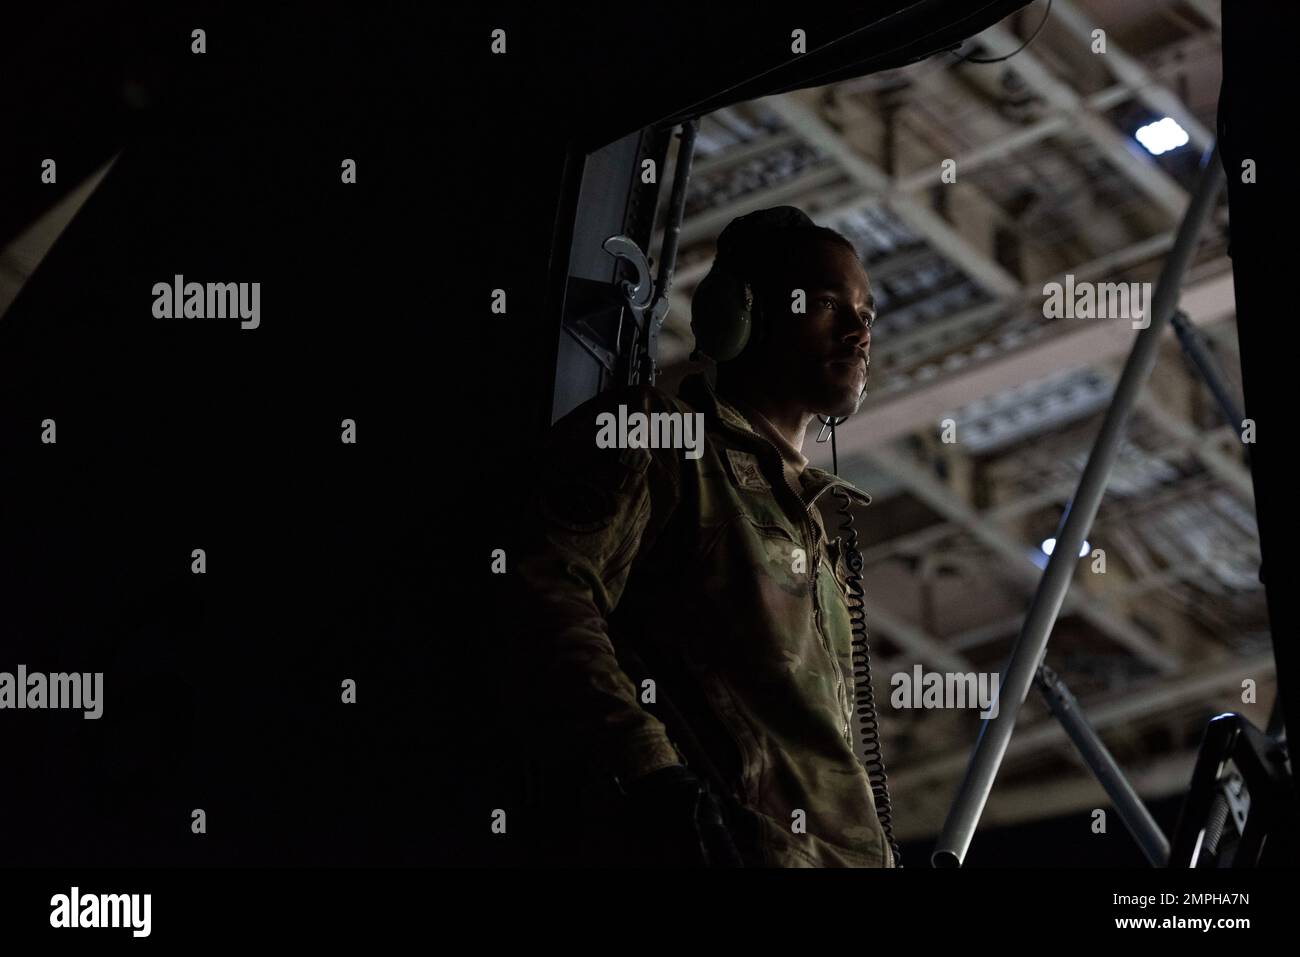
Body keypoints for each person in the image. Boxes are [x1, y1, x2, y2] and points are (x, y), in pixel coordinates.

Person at [511, 205, 896, 867]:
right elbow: (545, 588)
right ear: (741, 316)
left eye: (867, 313)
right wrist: (654, 775)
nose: (860, 331)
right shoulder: (661, 442)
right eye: (830, 303)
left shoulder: (813, 526)